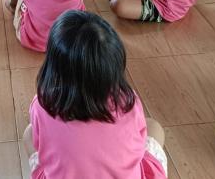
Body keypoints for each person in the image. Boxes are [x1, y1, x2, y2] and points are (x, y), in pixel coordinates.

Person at [23, 11, 168, 179]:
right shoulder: (128, 100)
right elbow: (138, 144)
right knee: (154, 128)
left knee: (29, 133)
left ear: (52, 67)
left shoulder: (43, 104)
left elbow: (41, 143)